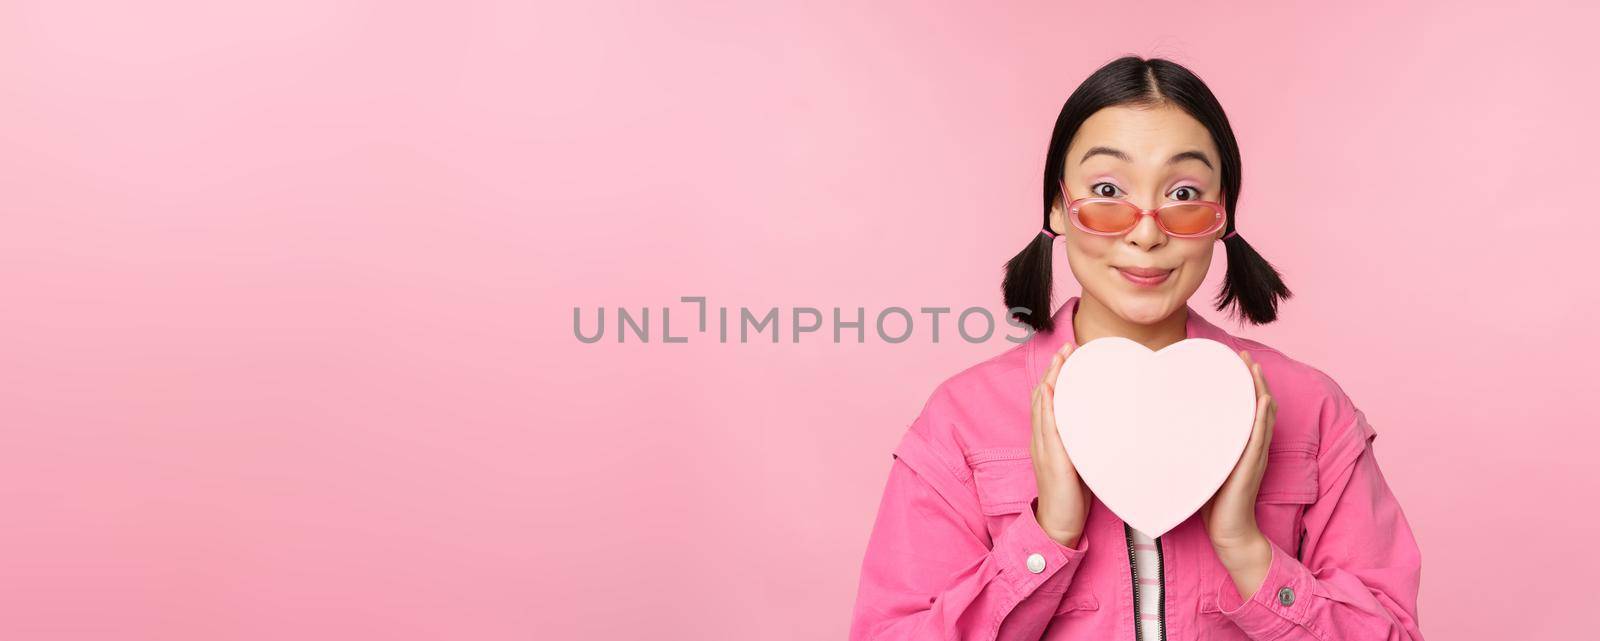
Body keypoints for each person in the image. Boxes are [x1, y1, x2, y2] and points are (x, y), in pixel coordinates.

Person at [847, 56, 1424, 641]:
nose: (1146, 232)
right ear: (1056, 206)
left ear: (1223, 213)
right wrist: (1048, 535)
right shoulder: (961, 422)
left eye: (1183, 193)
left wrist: (1246, 550)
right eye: (1106, 191)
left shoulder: (1311, 409)